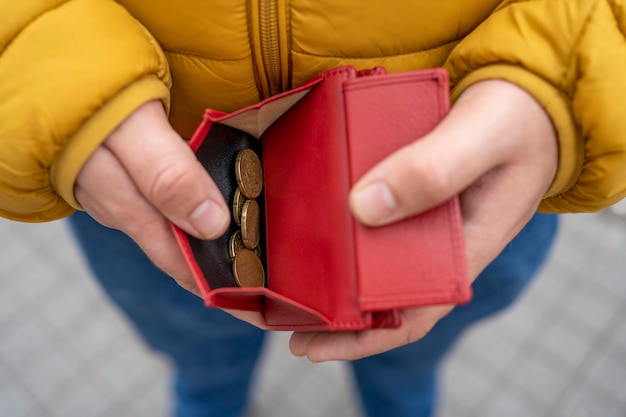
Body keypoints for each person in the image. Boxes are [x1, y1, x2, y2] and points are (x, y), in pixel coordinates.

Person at [1, 1, 624, 416]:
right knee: (198, 352)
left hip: (469, 180)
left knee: (410, 357)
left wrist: (567, 76)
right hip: (139, 187)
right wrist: (43, 69)